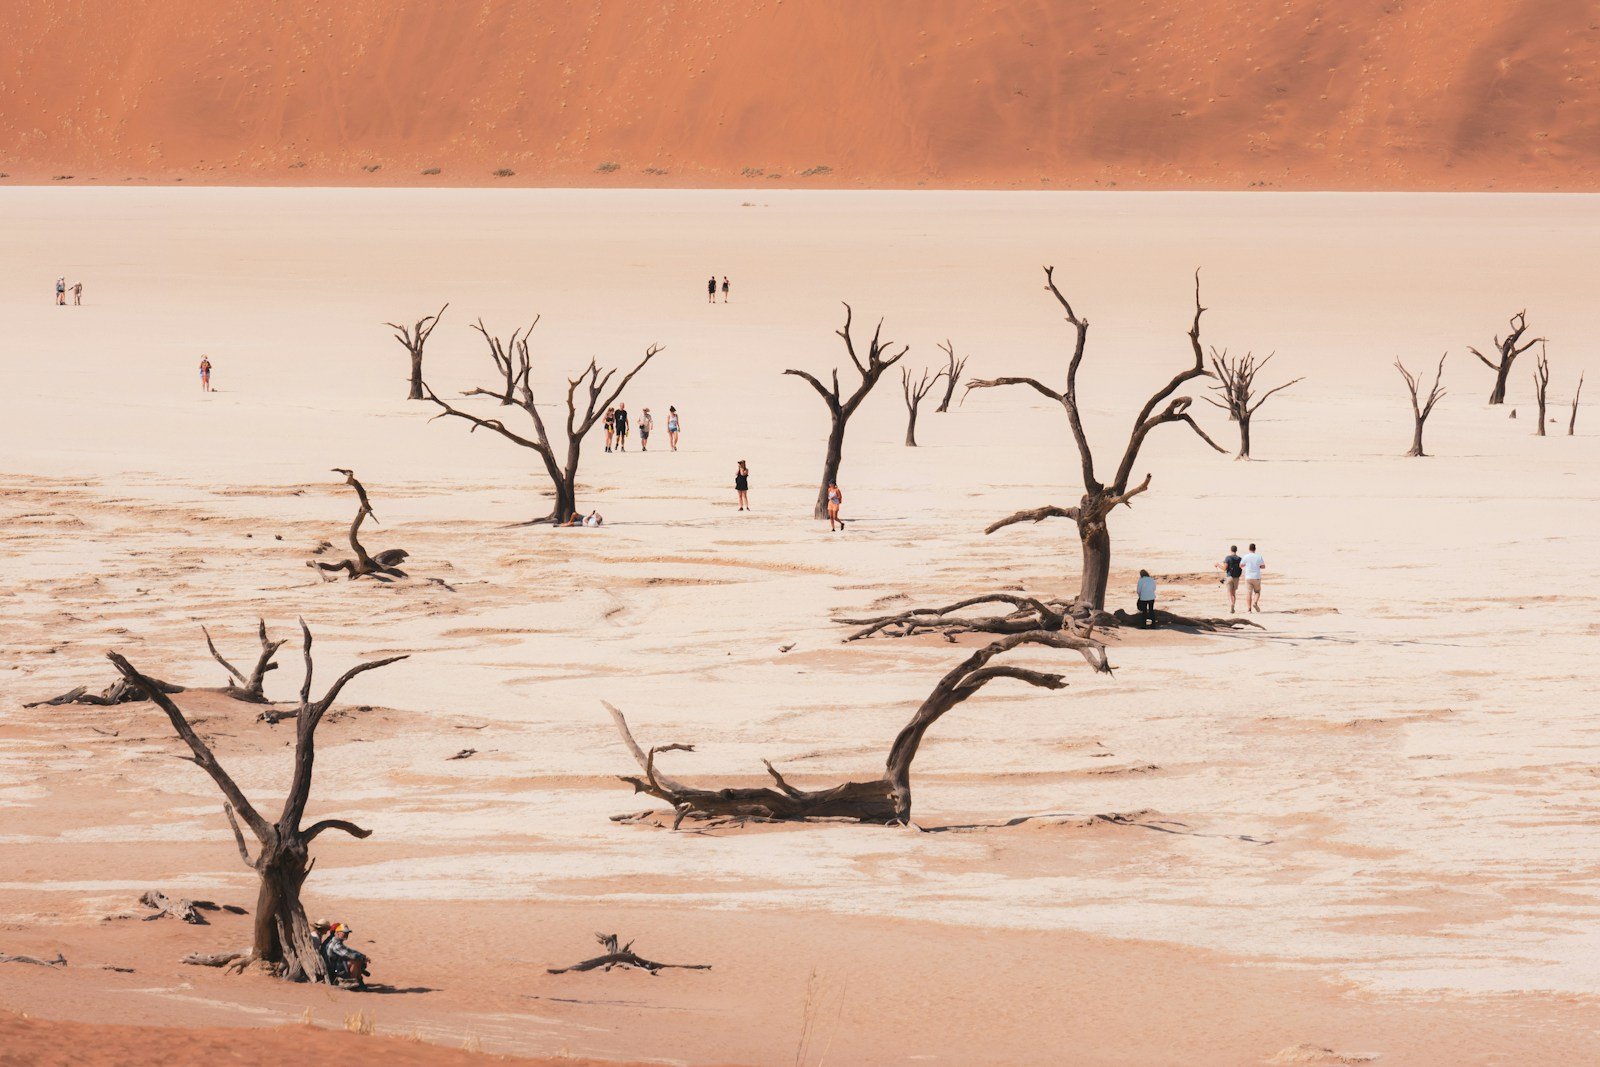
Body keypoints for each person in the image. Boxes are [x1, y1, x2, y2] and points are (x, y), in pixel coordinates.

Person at [320, 922, 369, 989]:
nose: (346, 935)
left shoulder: (334, 940)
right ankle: (354, 981)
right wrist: (362, 957)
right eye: (344, 933)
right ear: (337, 932)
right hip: (331, 969)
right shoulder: (335, 944)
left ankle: (359, 980)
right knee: (355, 961)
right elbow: (350, 955)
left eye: (347, 933)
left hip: (332, 965)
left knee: (357, 959)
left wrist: (362, 956)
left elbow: (348, 950)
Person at [1241, 542, 1266, 613]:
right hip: (1256, 576)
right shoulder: (1258, 556)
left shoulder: (1246, 556)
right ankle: (1255, 602)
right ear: (1255, 549)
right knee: (1257, 592)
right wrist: (1259, 566)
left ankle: (1249, 609)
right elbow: (1263, 566)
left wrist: (1246, 565)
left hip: (1248, 577)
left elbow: (1241, 565)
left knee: (1249, 593)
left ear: (1249, 549)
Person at [1219, 544, 1244, 613]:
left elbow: (1224, 568)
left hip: (1229, 577)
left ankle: (1231, 604)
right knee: (1234, 593)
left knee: (1229, 593)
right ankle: (1233, 606)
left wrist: (1218, 565)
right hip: (1236, 578)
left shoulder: (1228, 558)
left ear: (1230, 550)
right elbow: (1241, 567)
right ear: (1236, 550)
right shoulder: (1240, 558)